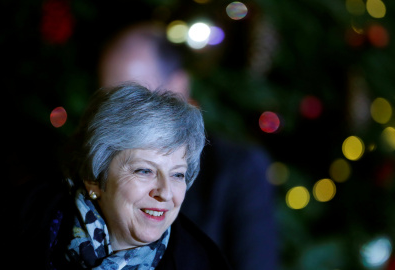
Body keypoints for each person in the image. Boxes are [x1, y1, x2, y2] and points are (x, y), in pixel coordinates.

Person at [98, 22, 279, 270]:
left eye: (136, 99)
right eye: (108, 101)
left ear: (179, 86)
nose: (118, 116)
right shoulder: (91, 169)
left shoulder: (238, 169)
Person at [14, 83, 232, 270]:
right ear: (95, 178)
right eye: (144, 171)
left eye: (177, 174)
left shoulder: (202, 263)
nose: (165, 193)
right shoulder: (20, 220)